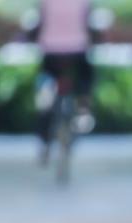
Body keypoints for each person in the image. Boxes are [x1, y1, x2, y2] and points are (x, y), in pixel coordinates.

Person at [34, 0, 96, 145]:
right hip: (77, 49)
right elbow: (89, 23)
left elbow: (39, 21)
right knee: (86, 76)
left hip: (51, 49)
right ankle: (83, 109)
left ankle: (44, 98)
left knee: (45, 76)